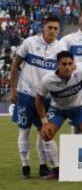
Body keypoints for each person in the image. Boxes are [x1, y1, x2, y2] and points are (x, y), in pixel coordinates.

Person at [9, 15, 63, 179]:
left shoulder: (60, 48)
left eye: (55, 29)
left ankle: (43, 165)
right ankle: (25, 165)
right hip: (25, 94)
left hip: (45, 98)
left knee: (44, 132)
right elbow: (15, 65)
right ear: (43, 28)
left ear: (59, 30)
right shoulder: (29, 42)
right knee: (24, 131)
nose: (52, 31)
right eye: (50, 28)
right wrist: (13, 89)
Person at [35, 51, 82, 178]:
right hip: (58, 110)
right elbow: (39, 99)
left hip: (78, 108)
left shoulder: (80, 69)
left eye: (70, 64)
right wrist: (44, 122)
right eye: (64, 64)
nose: (67, 67)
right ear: (58, 65)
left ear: (74, 64)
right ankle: (56, 169)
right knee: (46, 133)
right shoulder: (48, 80)